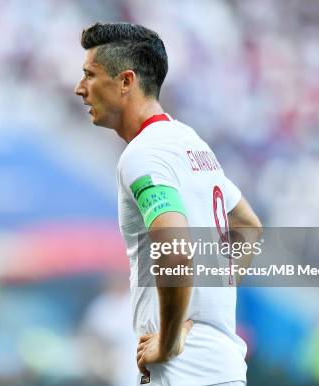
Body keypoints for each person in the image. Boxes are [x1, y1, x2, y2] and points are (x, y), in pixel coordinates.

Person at [74, 22, 262, 386]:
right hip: (222, 366)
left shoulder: (143, 155)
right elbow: (249, 226)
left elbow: (174, 247)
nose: (80, 89)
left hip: (184, 371)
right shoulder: (192, 145)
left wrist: (171, 338)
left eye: (89, 75)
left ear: (126, 81)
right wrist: (209, 300)